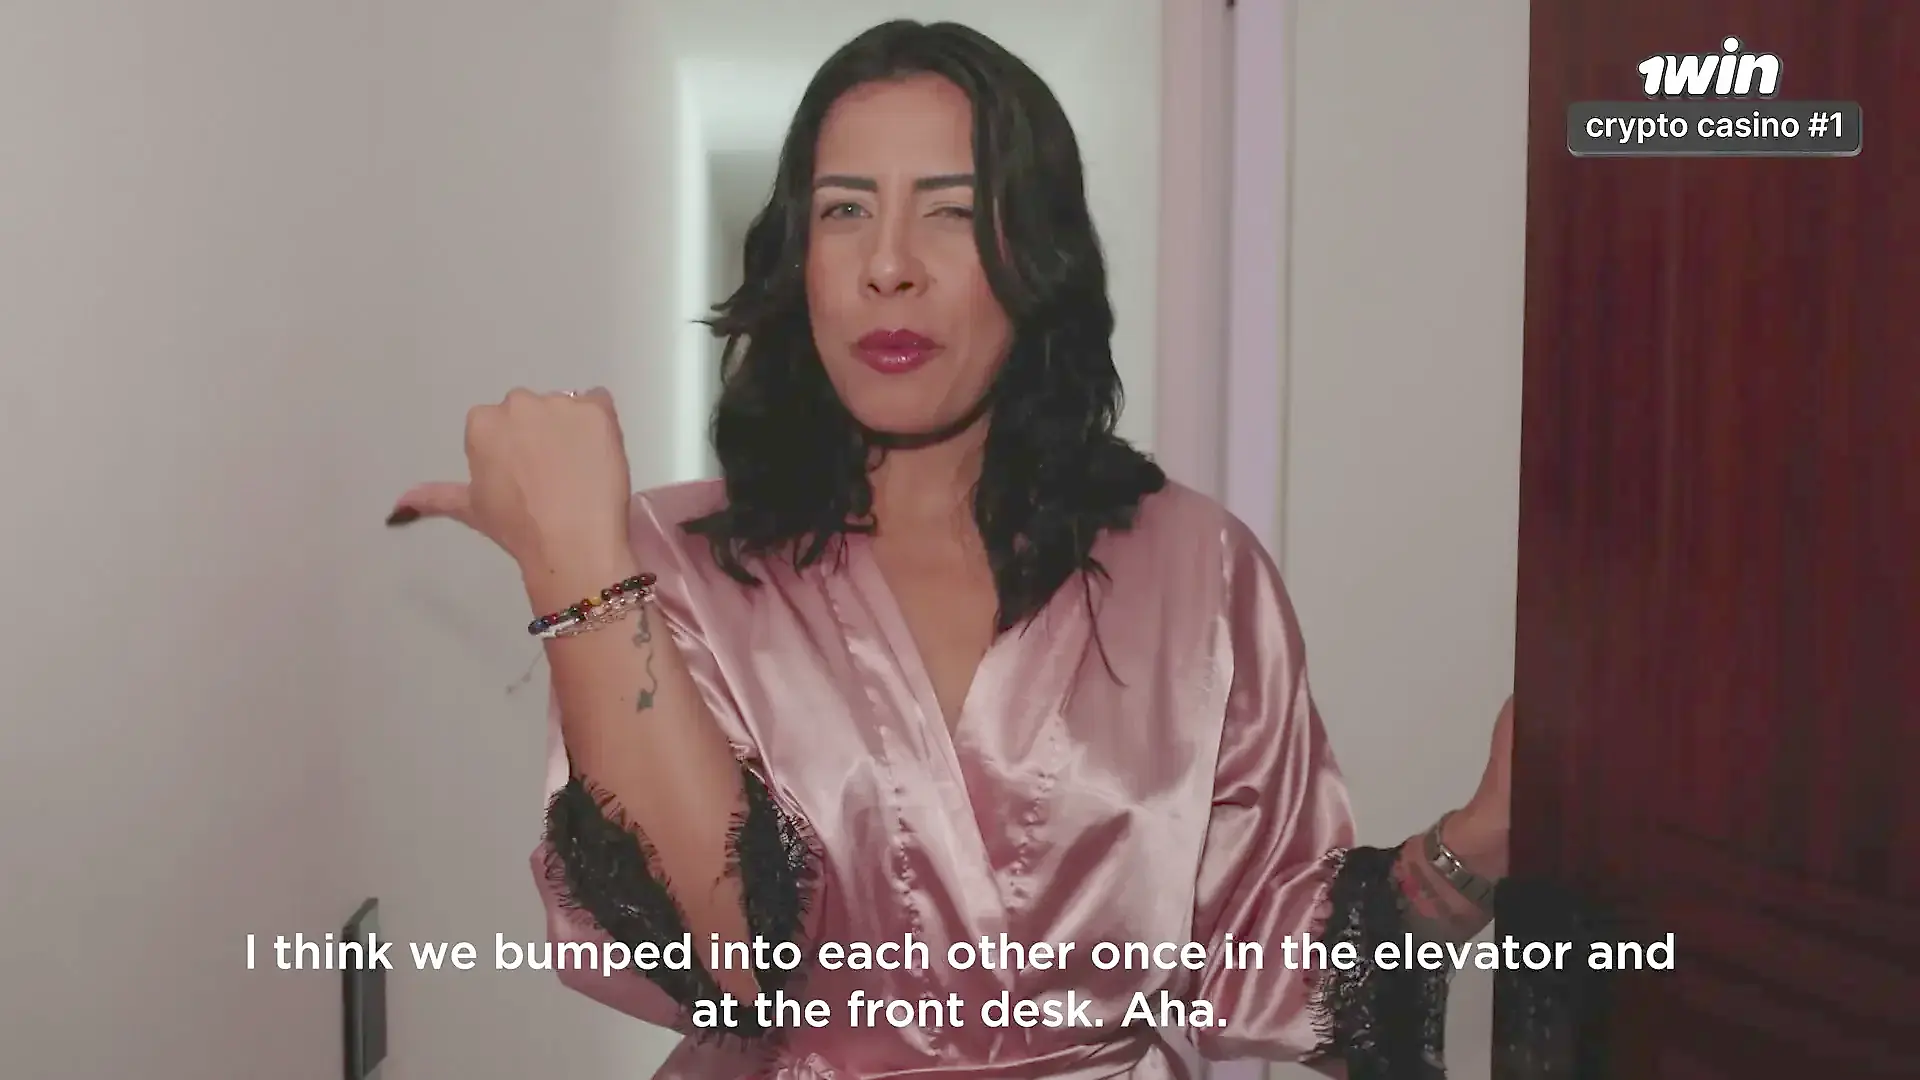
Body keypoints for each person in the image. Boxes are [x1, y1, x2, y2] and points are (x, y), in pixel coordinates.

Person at [388, 19, 1511, 1080]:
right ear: (798, 260)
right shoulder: (660, 568)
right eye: (844, 210)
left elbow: (1263, 946)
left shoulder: (1198, 568)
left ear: (1039, 255)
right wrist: (580, 573)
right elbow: (723, 964)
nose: (889, 265)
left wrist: (1474, 847)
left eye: (952, 211)